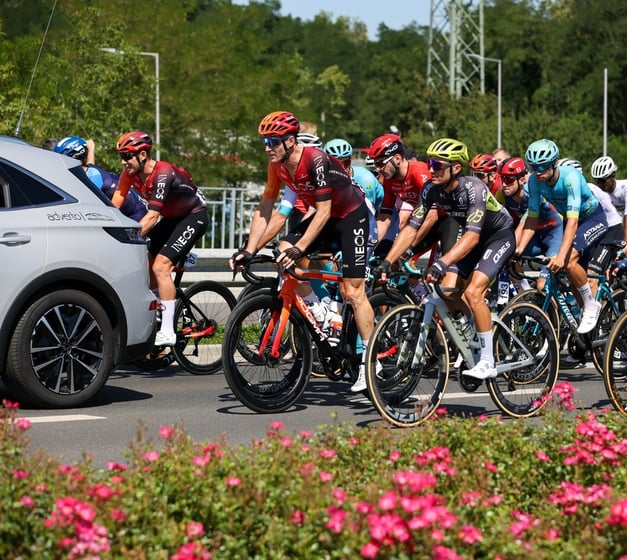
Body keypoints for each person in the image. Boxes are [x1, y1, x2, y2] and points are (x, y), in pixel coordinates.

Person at [229, 111, 375, 392]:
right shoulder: (277, 167)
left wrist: (301, 247)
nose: (267, 147)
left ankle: (370, 362)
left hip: (351, 216)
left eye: (273, 141)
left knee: (354, 291)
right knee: (280, 253)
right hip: (327, 217)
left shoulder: (315, 159)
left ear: (290, 141)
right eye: (264, 142)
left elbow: (323, 211)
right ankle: (321, 311)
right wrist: (249, 249)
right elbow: (265, 209)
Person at [375, 137, 515, 380]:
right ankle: (474, 329)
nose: (431, 169)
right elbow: (412, 228)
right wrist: (389, 260)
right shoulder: (431, 189)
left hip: (499, 237)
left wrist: (442, 262)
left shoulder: (474, 189)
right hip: (474, 238)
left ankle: (488, 360)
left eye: (437, 165)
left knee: (473, 292)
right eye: (430, 162)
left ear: (456, 168)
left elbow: (471, 237)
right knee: (445, 290)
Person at [112, 131, 208, 346]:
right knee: (144, 260)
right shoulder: (129, 174)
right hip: (172, 219)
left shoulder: (163, 173)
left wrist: (125, 237)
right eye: (121, 156)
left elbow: (152, 216)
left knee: (161, 267)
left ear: (143, 155)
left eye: (127, 156)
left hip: (194, 217)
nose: (123, 161)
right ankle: (159, 302)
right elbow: (114, 205)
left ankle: (167, 331)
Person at [519, 140, 609, 334]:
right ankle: (587, 320)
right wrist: (518, 250)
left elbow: (573, 221)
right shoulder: (534, 181)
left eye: (542, 166)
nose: (538, 171)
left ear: (555, 163)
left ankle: (592, 306)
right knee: (572, 272)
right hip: (571, 220)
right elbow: (532, 219)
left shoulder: (571, 178)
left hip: (593, 218)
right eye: (533, 167)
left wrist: (561, 255)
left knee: (567, 260)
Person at [497, 156, 563, 291]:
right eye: (502, 178)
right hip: (535, 237)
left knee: (542, 285)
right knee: (508, 261)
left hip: (553, 234)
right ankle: (526, 294)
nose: (504, 184)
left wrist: (515, 249)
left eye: (509, 179)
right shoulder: (501, 195)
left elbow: (524, 224)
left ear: (521, 180)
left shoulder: (531, 192)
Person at [368, 133, 432, 257]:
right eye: (376, 165)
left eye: (381, 164)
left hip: (443, 220)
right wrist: (369, 247)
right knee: (390, 261)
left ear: (397, 158)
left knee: (402, 258)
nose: (378, 169)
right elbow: (384, 218)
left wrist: (408, 247)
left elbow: (432, 215)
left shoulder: (418, 173)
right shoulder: (388, 180)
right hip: (421, 220)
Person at [54, 136, 146, 222]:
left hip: (136, 214)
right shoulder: (88, 170)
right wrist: (91, 149)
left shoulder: (94, 176)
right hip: (126, 212)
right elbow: (90, 164)